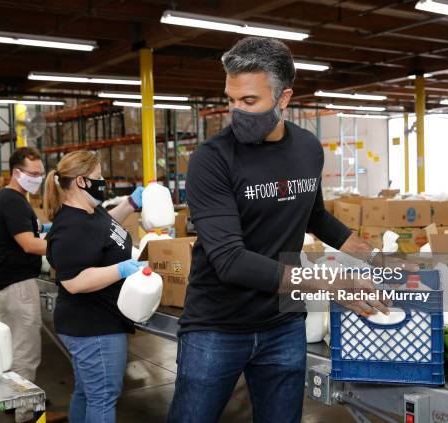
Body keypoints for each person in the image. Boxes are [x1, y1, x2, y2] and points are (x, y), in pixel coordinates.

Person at [167, 37, 403, 423]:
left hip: (283, 322)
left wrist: (379, 259)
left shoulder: (307, 148)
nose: (236, 112)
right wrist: (331, 283)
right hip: (218, 326)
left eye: (249, 101)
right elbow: (230, 260)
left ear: (284, 98)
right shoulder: (211, 160)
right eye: (230, 99)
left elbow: (316, 217)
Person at [44, 150, 143, 423]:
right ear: (80, 181)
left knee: (88, 393)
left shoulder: (91, 211)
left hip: (96, 322)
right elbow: (74, 282)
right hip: (93, 326)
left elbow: (106, 227)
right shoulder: (71, 227)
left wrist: (131, 203)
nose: (103, 182)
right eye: (98, 177)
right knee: (102, 397)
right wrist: (121, 269)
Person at [0, 146, 47, 423]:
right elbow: (28, 244)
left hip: (7, 283)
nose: (38, 178)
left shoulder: (13, 198)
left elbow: (28, 233)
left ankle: (14, 403)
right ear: (17, 172)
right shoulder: (12, 200)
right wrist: (66, 244)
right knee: (26, 354)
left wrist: (45, 232)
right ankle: (26, 415)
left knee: (14, 351)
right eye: (33, 174)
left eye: (41, 173)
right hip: (18, 285)